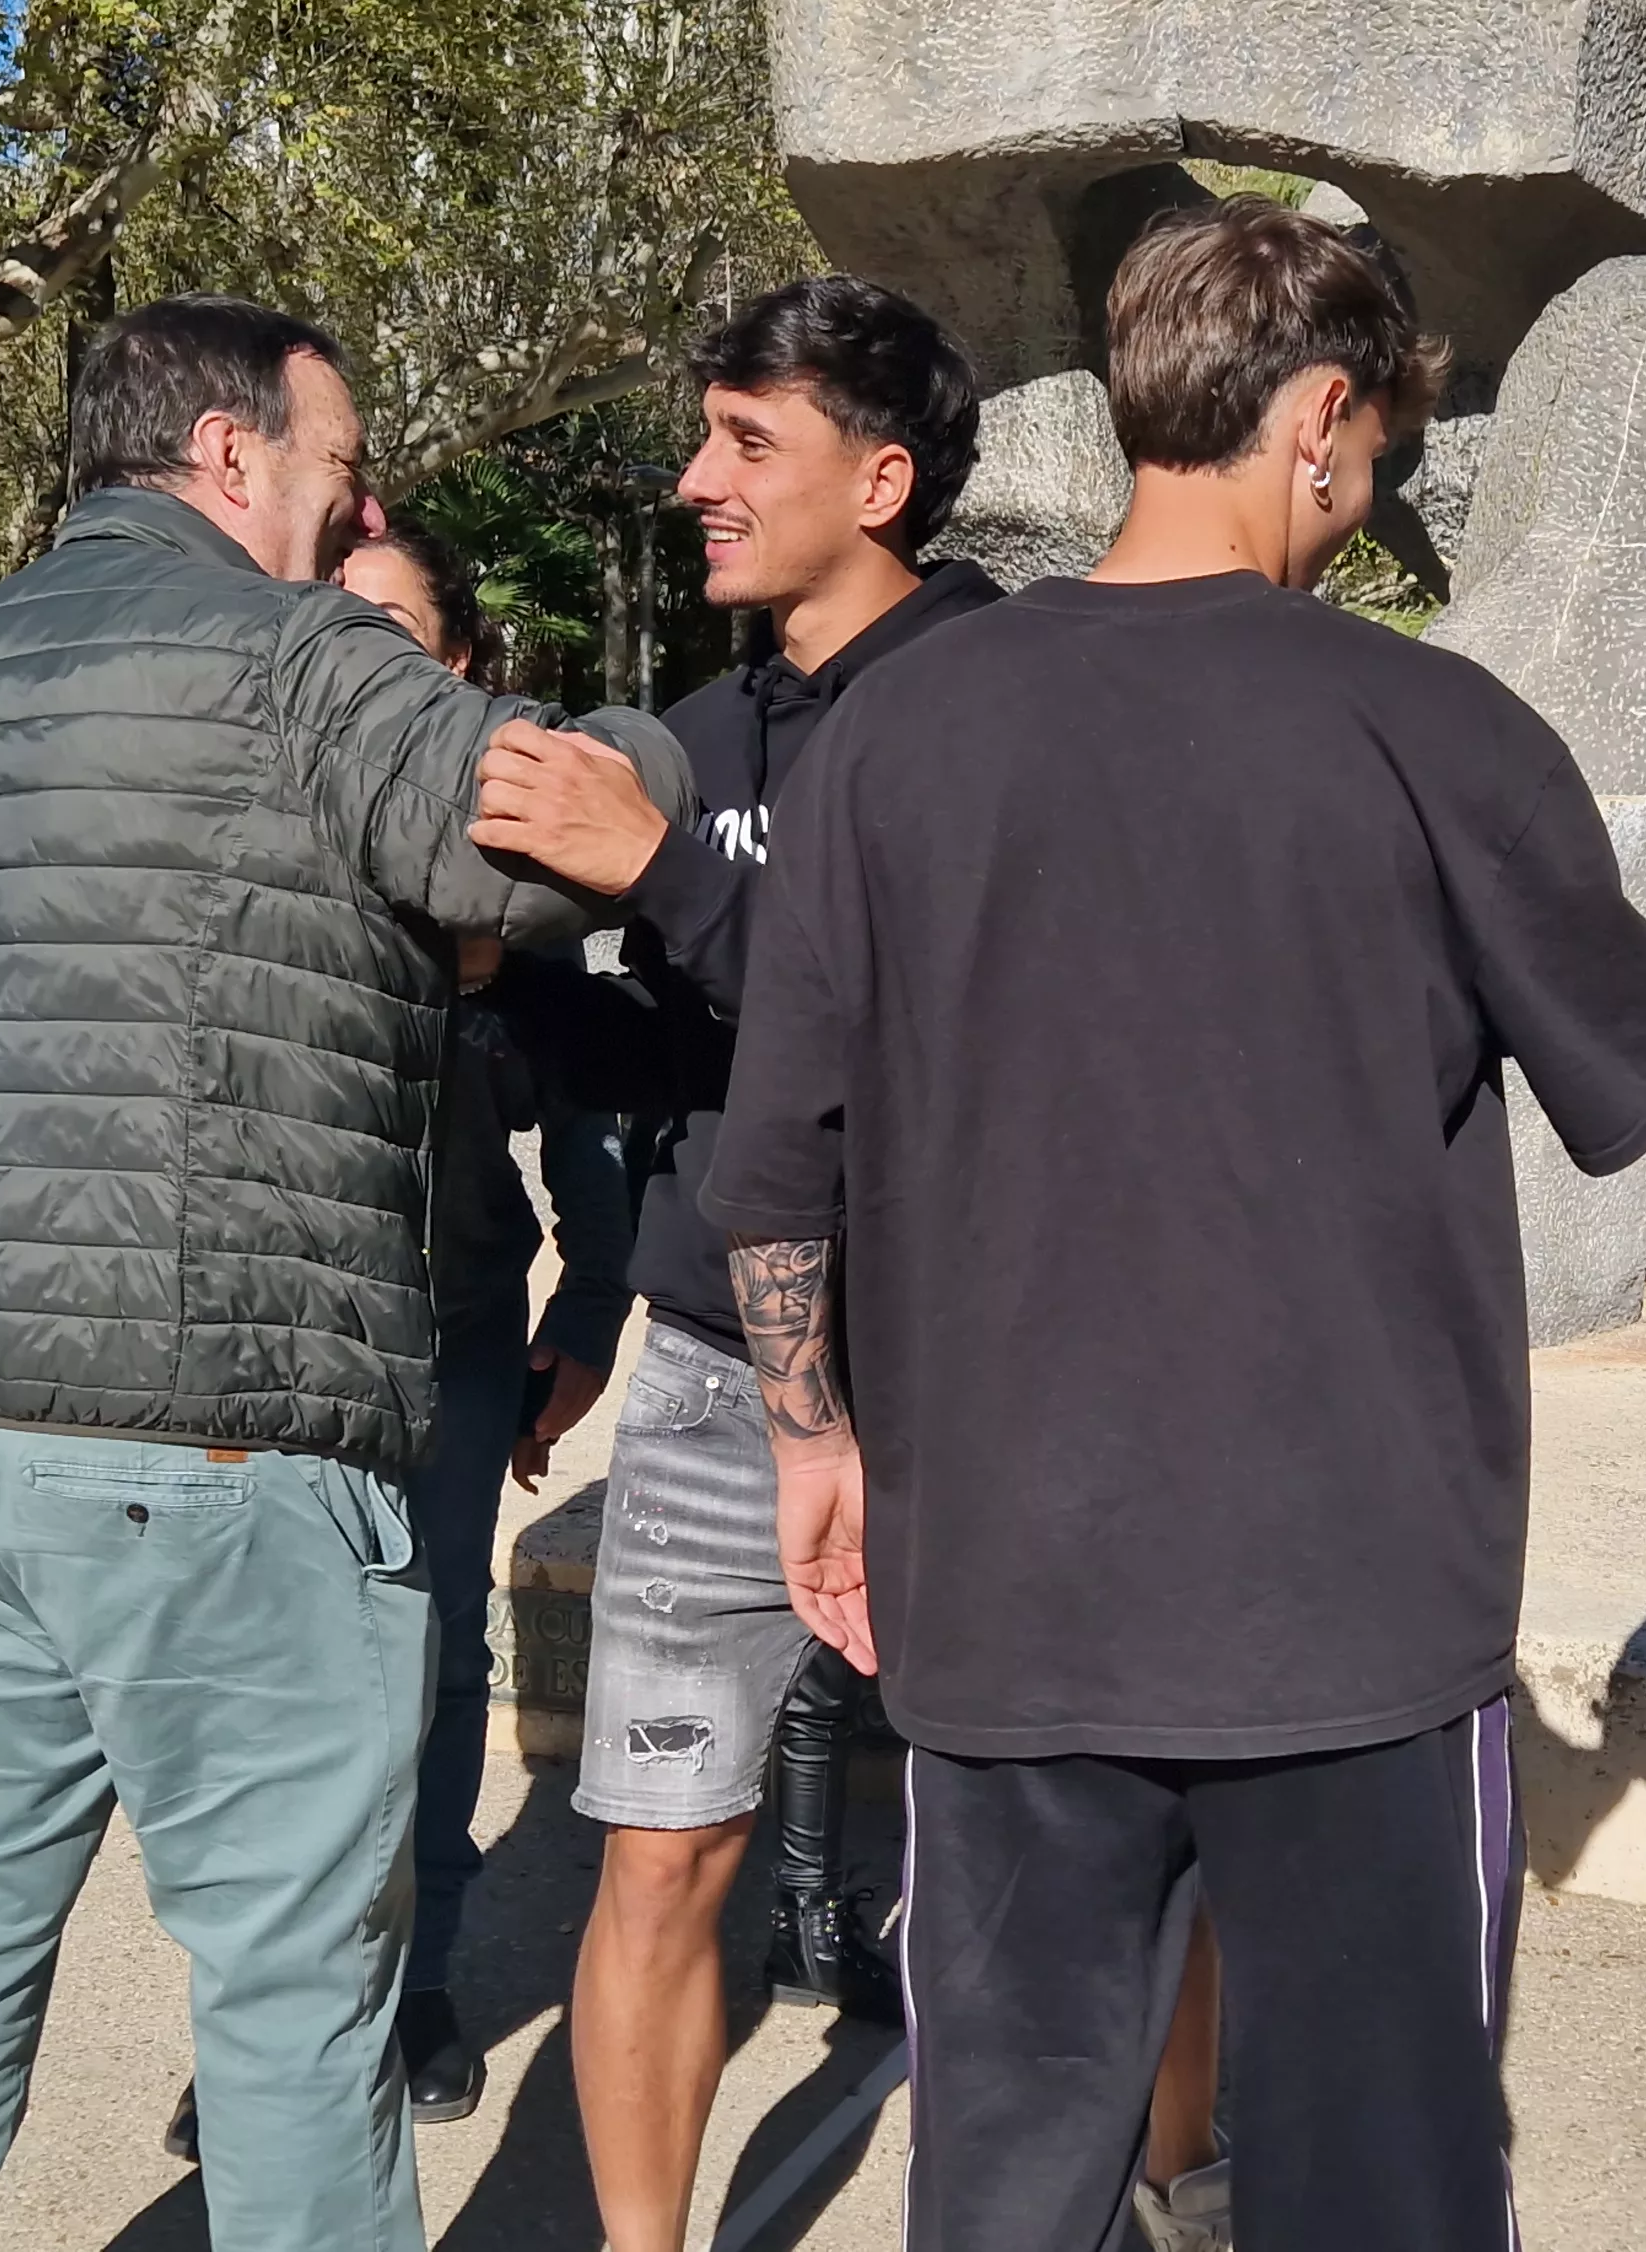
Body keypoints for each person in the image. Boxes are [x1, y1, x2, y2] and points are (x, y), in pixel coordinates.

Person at [699, 196, 1646, 2251]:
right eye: (1371, 457)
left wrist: (808, 1437)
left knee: (1006, 2175)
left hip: (1004, 1598)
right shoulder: (1436, 729)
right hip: (1350, 1619)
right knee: (1376, 2181)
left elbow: (777, 1166)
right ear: (1310, 415)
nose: (1365, 503)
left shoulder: (896, 734)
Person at [0, 294, 691, 2252]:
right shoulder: (298, 664)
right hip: (200, 1414)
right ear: (225, 454)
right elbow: (536, 850)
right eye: (331, 456)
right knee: (292, 1981)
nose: (351, 492)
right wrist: (665, 746)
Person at [450, 275, 1003, 2251]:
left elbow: (944, 1039)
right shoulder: (698, 730)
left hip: (977, 1387)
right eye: (699, 433)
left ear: (880, 475)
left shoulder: (1000, 712)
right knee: (656, 1861)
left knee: (1040, 1872)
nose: (691, 479)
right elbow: (681, 1059)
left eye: (739, 441)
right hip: (705, 1375)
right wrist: (496, 996)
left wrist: (662, 876)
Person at [153, 521, 643, 2159]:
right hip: (262, 1338)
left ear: (456, 675)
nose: (350, 660)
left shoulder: (514, 876)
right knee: (269, 1687)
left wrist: (587, 1309)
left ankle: (420, 1976)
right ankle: (272, 2017)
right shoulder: (225, 831)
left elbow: (590, 1112)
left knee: (428, 1671)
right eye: (329, 624)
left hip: (451, 1336)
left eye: (393, 636)